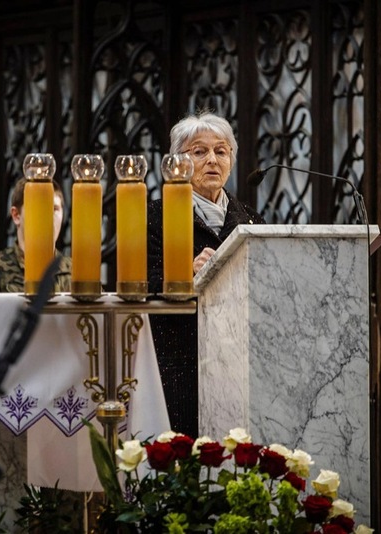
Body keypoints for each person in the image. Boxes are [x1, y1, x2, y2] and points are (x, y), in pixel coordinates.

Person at [147, 111, 264, 438]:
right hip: (179, 360)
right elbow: (140, 283)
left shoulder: (252, 221)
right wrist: (186, 275)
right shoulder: (154, 216)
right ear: (177, 162)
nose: (212, 159)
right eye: (199, 151)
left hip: (240, 364)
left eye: (221, 151)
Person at [0, 177, 72, 293]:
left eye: (54, 209)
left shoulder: (76, 273)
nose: (46, 216)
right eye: (37, 207)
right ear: (16, 215)